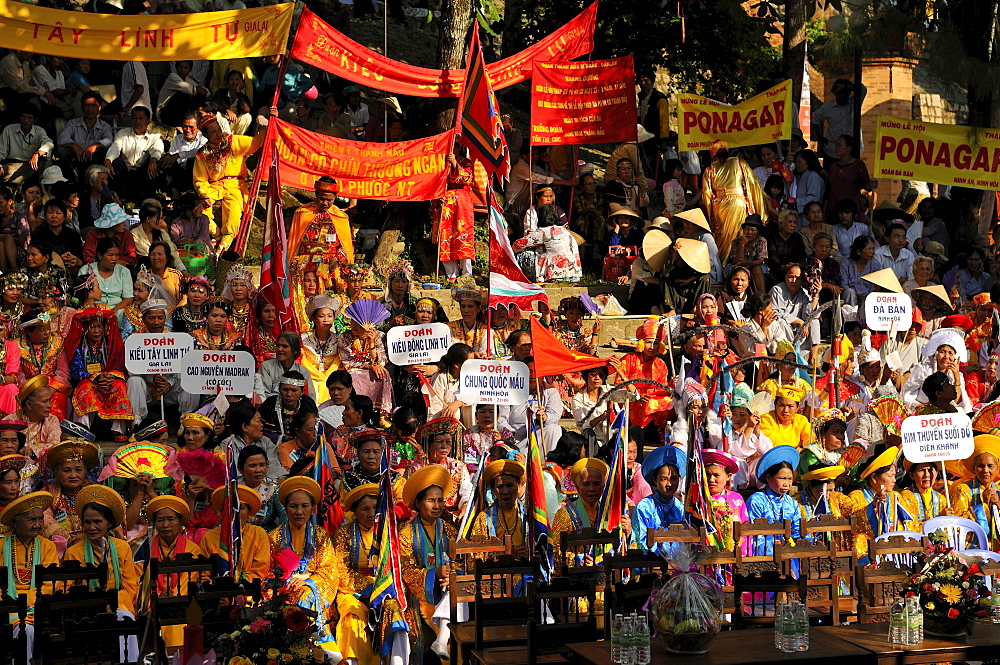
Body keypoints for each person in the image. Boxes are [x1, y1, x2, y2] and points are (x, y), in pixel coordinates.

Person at [333, 482, 410, 665]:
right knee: (353, 614)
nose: (370, 513)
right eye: (364, 509)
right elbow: (341, 570)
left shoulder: (389, 533)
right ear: (355, 512)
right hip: (352, 592)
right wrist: (368, 589)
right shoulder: (344, 533)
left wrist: (380, 590)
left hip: (384, 589)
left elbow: (398, 565)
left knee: (394, 612)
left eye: (375, 508)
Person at [63, 484, 140, 661]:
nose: (91, 527)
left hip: (118, 605)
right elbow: (70, 589)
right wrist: (97, 604)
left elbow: (130, 585)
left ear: (109, 523)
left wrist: (113, 603)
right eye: (87, 522)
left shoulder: (122, 547)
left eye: (97, 522)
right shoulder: (73, 552)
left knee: (125, 618)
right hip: (85, 610)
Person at [268, 477, 340, 649]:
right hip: (283, 591)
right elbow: (268, 572)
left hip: (312, 592)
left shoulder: (320, 535)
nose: (299, 511)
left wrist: (308, 580)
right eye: (293, 506)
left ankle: (310, 648)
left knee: (306, 596)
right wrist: (285, 582)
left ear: (313, 509)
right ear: (285, 508)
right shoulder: (273, 537)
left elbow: (329, 570)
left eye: (304, 506)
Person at [398, 466, 458, 661]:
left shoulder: (449, 530)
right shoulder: (406, 534)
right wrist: (435, 574)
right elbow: (405, 570)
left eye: (440, 500)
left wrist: (451, 576)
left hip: (448, 592)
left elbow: (461, 561)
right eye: (431, 500)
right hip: (420, 597)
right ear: (418, 502)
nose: (437, 505)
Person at [132, 494, 201, 648]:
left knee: (177, 624)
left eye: (171, 519)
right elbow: (138, 581)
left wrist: (172, 598)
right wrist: (154, 599)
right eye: (160, 520)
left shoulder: (192, 549)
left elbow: (190, 581)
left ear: (180, 522)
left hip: (181, 605)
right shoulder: (145, 549)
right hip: (153, 606)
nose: (165, 525)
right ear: (154, 524)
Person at [193, 113, 267, 251]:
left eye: (219, 129)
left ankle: (225, 244)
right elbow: (200, 180)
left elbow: (255, 142)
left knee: (233, 211)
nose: (219, 134)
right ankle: (217, 234)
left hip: (236, 185)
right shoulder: (202, 154)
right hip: (215, 186)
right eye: (214, 132)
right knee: (199, 209)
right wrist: (203, 194)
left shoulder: (233, 141)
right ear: (205, 135)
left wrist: (269, 126)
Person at [0, 490, 59, 657]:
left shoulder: (47, 546)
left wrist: (30, 603)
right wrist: (13, 604)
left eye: (41, 519)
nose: (38, 524)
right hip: (8, 607)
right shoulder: (1, 547)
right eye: (32, 519)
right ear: (15, 522)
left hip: (37, 606)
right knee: (25, 631)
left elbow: (50, 583)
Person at [66, 307, 131, 439]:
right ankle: (82, 430)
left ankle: (118, 430)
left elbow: (121, 365)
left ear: (105, 328)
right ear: (85, 328)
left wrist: (110, 376)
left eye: (100, 326)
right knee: (85, 388)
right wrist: (96, 377)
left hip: (109, 379)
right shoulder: (79, 345)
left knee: (119, 385)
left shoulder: (111, 343)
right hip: (88, 380)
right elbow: (76, 371)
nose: (97, 331)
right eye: (92, 327)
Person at [701, 140, 766, 265]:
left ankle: (723, 265)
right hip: (740, 204)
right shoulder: (739, 163)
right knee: (741, 235)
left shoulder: (709, 170)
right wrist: (758, 207)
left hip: (720, 206)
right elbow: (753, 185)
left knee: (724, 240)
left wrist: (712, 218)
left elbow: (707, 196)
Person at [849, 446, 912, 564]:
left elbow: (907, 523)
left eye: (894, 475)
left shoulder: (895, 496)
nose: (894, 480)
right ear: (874, 477)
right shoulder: (856, 497)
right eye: (890, 476)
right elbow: (855, 525)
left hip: (895, 551)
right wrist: (873, 505)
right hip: (867, 552)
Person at [608, 319, 671, 428]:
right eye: (648, 342)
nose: (652, 347)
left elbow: (662, 389)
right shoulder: (628, 359)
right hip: (631, 399)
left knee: (670, 402)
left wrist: (673, 384)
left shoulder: (661, 363)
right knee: (649, 404)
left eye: (656, 343)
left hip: (652, 399)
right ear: (642, 343)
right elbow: (618, 386)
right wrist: (637, 396)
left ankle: (659, 430)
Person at [200, 484, 270, 581]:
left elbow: (259, 571)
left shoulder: (258, 534)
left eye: (240, 508)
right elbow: (203, 574)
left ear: (249, 512)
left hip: (248, 591)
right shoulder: (209, 537)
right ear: (221, 512)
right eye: (230, 507)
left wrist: (239, 589)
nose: (235, 512)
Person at [406, 417, 473, 513]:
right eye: (439, 442)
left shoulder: (458, 467)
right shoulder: (415, 468)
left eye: (448, 442)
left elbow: (467, 493)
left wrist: (465, 506)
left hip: (452, 517)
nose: (444, 446)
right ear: (428, 445)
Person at [434, 147, 481, 281]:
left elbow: (468, 177)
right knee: (444, 237)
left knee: (463, 236)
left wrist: (455, 164)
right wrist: (436, 196)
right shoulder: (438, 162)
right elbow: (432, 182)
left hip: (461, 202)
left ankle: (467, 274)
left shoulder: (466, 162)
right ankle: (452, 275)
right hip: (444, 201)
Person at [747, 446, 801, 562]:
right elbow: (755, 535)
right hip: (764, 555)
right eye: (782, 478)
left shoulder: (791, 503)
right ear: (768, 477)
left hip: (789, 554)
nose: (786, 484)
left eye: (790, 479)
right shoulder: (756, 501)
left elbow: (798, 531)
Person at [339, 300, 393, 412]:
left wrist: (372, 343)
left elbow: (382, 361)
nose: (353, 325)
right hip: (355, 371)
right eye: (352, 321)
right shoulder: (345, 337)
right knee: (353, 374)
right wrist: (371, 366)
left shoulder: (379, 335)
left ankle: (382, 412)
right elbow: (348, 362)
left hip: (374, 370)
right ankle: (356, 409)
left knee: (384, 374)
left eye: (358, 322)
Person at [631, 446, 686, 555]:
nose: (669, 484)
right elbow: (641, 541)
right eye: (664, 479)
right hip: (649, 564)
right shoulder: (644, 507)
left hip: (678, 564)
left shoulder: (681, 508)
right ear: (655, 480)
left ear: (679, 479)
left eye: (674, 479)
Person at [901, 328, 971, 412]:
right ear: (936, 354)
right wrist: (924, 409)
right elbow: (907, 396)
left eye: (950, 353)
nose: (946, 356)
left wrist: (956, 378)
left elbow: (957, 403)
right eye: (942, 352)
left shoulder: (957, 376)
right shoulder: (922, 371)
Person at [104, 107, 163, 200]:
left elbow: (157, 149)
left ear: (148, 121)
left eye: (141, 118)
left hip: (143, 172)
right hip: (125, 172)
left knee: (155, 164)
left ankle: (149, 199)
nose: (137, 121)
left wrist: (153, 160)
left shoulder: (154, 136)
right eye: (134, 118)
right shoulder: (123, 133)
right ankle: (120, 198)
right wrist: (108, 160)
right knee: (115, 161)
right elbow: (115, 147)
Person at [950, 434, 1000, 537]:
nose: (986, 471)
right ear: (974, 468)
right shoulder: (963, 489)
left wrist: (997, 504)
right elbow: (956, 523)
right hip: (972, 546)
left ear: (997, 469)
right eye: (980, 466)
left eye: (990, 466)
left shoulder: (998, 490)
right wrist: (984, 507)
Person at [812, 80, 867, 163]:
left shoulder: (854, 103)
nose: (841, 97)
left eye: (843, 94)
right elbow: (814, 118)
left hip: (851, 151)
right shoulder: (828, 107)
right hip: (832, 150)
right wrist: (820, 137)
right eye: (838, 94)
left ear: (848, 94)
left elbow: (863, 89)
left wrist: (849, 86)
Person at [300, 295, 342, 403]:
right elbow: (302, 362)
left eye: (329, 316)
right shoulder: (304, 339)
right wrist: (318, 376)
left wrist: (326, 377)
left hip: (331, 377)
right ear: (313, 318)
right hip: (309, 377)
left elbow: (339, 363)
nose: (326, 320)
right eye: (321, 316)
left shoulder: (339, 340)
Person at [223, 403, 281, 479]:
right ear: (244, 427)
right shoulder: (228, 444)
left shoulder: (266, 442)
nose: (262, 425)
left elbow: (274, 468)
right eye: (258, 421)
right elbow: (229, 473)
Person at [260, 371, 317, 444]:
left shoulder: (308, 406)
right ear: (279, 389)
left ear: (302, 391)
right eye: (285, 390)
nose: (289, 394)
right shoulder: (269, 405)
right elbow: (259, 431)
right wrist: (282, 439)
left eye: (294, 390)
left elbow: (314, 432)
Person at [0, 108, 53, 185]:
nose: (26, 120)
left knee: (47, 160)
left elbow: (49, 144)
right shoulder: (9, 129)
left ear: (35, 120)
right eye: (23, 117)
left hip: (33, 164)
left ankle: (43, 187)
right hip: (14, 164)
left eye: (29, 118)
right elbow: (1, 150)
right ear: (20, 117)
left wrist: (37, 154)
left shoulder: (39, 131)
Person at [899, 460, 949, 532]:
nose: (927, 475)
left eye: (930, 470)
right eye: (922, 470)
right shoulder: (907, 496)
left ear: (937, 473)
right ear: (912, 475)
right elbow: (910, 528)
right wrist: (938, 519)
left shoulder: (941, 498)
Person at [447, 280, 488, 358]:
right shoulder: (451, 327)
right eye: (463, 306)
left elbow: (484, 354)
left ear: (478, 309)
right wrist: (473, 355)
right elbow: (452, 353)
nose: (466, 310)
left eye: (470, 306)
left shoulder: (484, 330)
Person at [840, 235, 879, 303]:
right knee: (850, 292)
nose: (872, 252)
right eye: (869, 249)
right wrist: (857, 295)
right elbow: (844, 284)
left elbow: (874, 287)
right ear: (859, 251)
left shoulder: (875, 265)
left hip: (867, 298)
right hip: (850, 297)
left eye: (873, 249)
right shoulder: (846, 264)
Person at [793, 149, 825, 214]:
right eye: (796, 162)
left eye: (799, 162)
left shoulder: (813, 176)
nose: (797, 164)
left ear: (808, 161)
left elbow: (814, 198)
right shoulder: (799, 177)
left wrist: (796, 201)